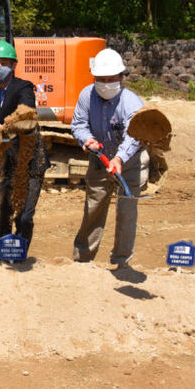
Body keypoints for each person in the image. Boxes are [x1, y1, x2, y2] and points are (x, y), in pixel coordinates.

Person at [70, 48, 148, 267]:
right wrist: (87, 139)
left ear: (121, 77)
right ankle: (83, 259)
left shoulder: (131, 102)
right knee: (93, 208)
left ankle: (121, 261)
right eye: (101, 79)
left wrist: (119, 159)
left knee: (127, 211)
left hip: (129, 162)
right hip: (100, 158)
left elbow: (135, 136)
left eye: (111, 79)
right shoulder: (87, 95)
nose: (106, 84)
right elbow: (79, 124)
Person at [0, 40, 49, 260]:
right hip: (7, 159)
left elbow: (27, 115)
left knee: (24, 217)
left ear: (13, 65)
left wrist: (6, 126)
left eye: (3, 63)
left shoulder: (24, 88)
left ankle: (19, 257)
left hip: (30, 160)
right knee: (3, 213)